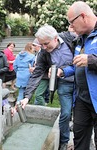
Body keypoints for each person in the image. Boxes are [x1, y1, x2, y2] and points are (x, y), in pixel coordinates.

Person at [20, 25, 76, 150]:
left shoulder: (71, 39)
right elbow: (37, 74)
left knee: (80, 113)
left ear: (55, 38)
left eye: (46, 44)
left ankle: (78, 140)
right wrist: (27, 97)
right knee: (66, 113)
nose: (44, 48)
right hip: (64, 83)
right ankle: (64, 141)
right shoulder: (44, 53)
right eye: (41, 45)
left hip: (81, 82)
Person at [58, 1, 97, 149]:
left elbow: (88, 62)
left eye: (71, 22)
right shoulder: (79, 40)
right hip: (82, 99)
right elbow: (78, 66)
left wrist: (91, 60)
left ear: (83, 17)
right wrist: (63, 71)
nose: (71, 27)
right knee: (79, 138)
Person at [32, 38, 50, 106]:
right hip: (39, 76)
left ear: (39, 46)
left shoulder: (44, 53)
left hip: (44, 77)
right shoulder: (38, 53)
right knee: (39, 94)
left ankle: (44, 109)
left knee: (38, 95)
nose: (33, 47)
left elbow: (46, 65)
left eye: (34, 45)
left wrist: (35, 69)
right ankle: (37, 107)